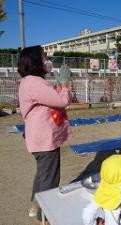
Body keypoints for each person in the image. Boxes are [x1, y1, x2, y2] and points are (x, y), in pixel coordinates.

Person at [18, 45, 71, 219]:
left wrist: (56, 85)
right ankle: (45, 217)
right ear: (35, 61)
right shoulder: (34, 81)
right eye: (44, 57)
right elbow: (62, 101)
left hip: (40, 138)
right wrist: (64, 85)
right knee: (49, 179)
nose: (47, 61)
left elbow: (48, 98)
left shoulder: (31, 81)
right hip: (44, 140)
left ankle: (35, 205)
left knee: (43, 174)